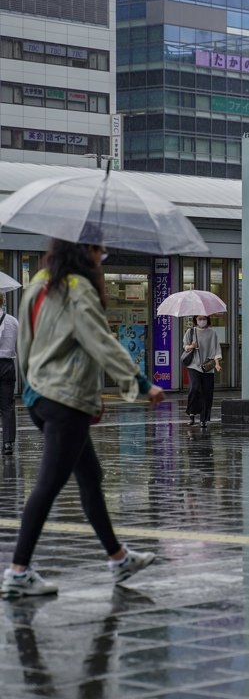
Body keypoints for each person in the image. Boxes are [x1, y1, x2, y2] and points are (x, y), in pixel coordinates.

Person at [1, 239, 165, 600]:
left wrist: (31, 389)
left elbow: (25, 345)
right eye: (99, 250)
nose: (102, 256)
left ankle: (118, 557)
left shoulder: (40, 283)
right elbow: (101, 341)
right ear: (84, 251)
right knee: (47, 485)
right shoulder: (79, 288)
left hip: (43, 396)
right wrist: (139, 383)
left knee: (91, 478)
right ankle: (18, 570)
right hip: (66, 398)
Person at [183, 315, 222, 428]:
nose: (202, 321)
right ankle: (191, 414)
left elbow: (216, 349)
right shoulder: (191, 332)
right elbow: (185, 347)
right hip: (193, 365)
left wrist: (217, 364)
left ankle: (203, 419)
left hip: (208, 366)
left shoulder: (212, 333)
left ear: (207, 319)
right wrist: (191, 346)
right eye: (199, 319)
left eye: (204, 318)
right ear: (195, 319)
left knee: (207, 392)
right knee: (194, 388)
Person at [0, 289, 18, 456]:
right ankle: (7, 443)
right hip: (7, 365)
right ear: (3, 302)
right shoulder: (13, 321)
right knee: (7, 406)